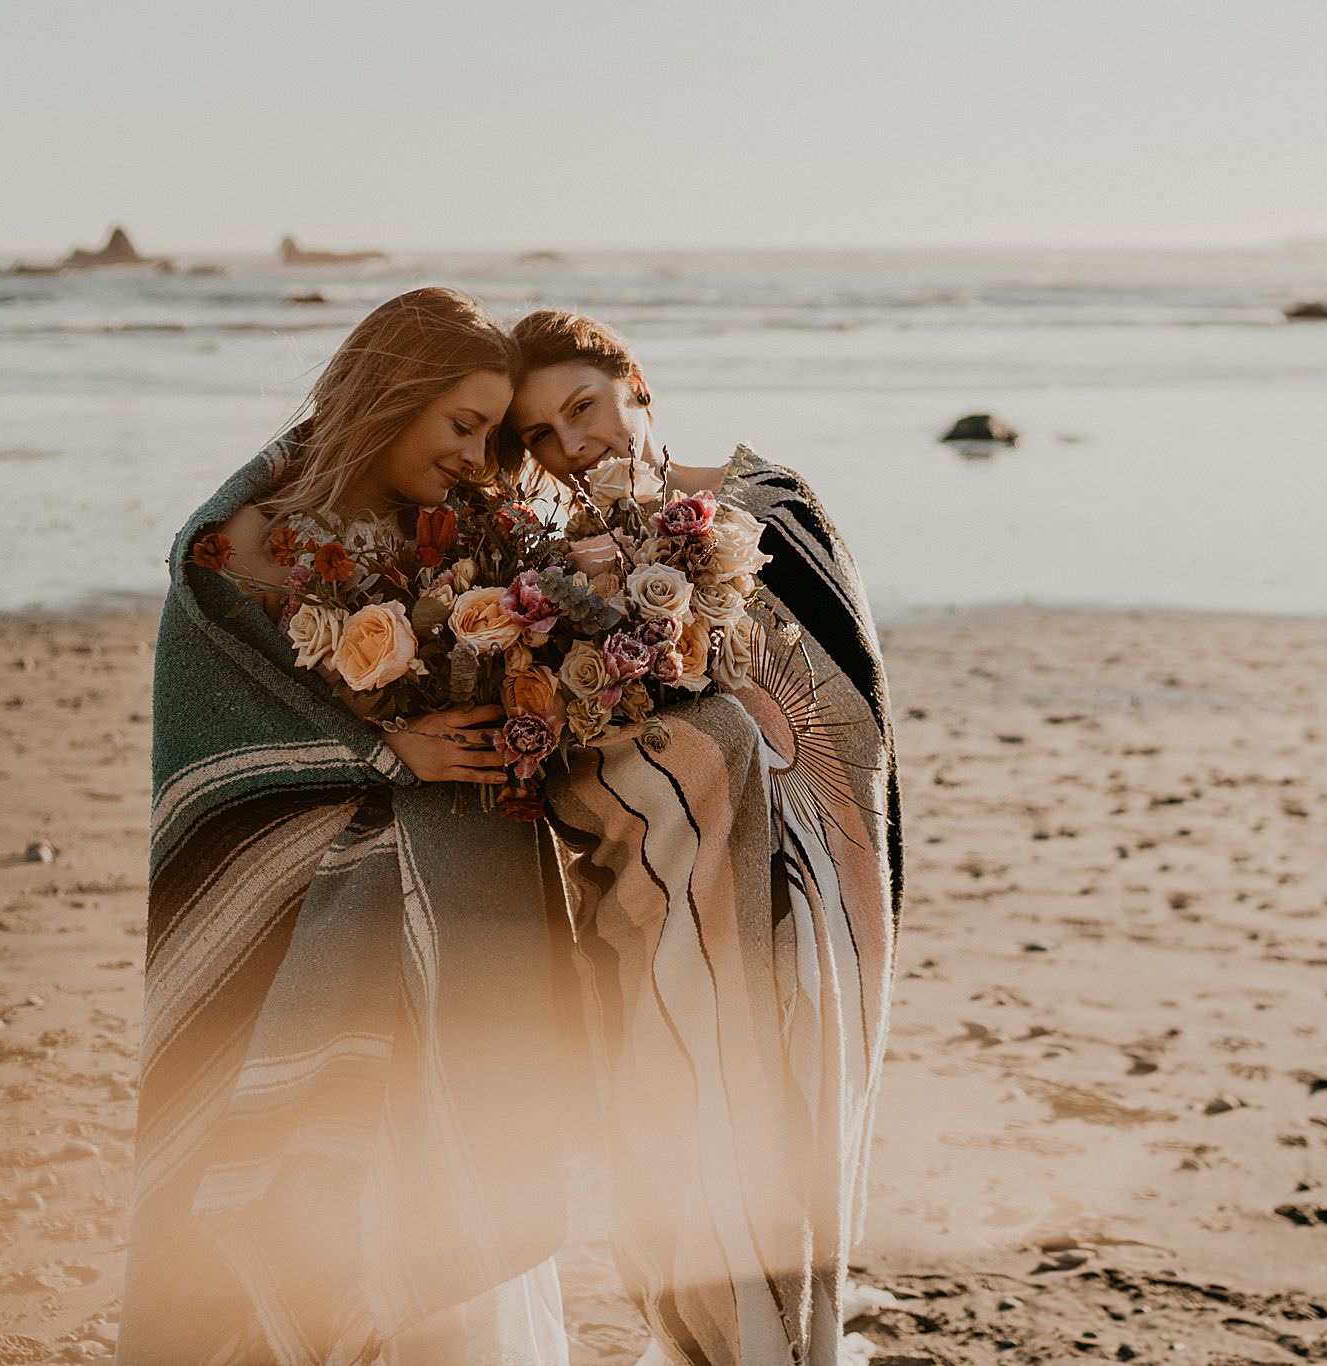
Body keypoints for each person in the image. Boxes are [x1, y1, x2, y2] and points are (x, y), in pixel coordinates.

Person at [119, 287, 580, 1365]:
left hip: (453, 909)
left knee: (439, 1202)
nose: (476, 455)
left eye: (489, 433)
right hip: (307, 923)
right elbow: (214, 757)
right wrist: (381, 754)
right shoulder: (245, 544)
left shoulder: (475, 536)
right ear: (391, 397)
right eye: (459, 425)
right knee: (312, 1189)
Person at [498, 309, 904, 1366]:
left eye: (581, 406)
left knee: (792, 1116)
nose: (570, 444)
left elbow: (847, 704)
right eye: (540, 434)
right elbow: (584, 763)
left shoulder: (768, 499)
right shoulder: (556, 575)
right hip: (676, 902)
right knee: (680, 1116)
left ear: (635, 384)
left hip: (820, 875)